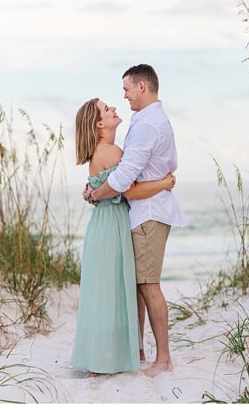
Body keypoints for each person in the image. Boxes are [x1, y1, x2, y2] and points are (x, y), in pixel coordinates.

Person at [86, 64, 188, 377]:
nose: (124, 96)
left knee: (148, 286)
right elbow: (117, 174)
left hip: (149, 213)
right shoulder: (145, 120)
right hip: (142, 212)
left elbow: (125, 181)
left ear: (141, 87)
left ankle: (163, 360)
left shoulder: (147, 124)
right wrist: (97, 185)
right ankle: (139, 350)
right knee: (138, 284)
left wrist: (96, 193)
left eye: (127, 89)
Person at [71, 98, 175, 376]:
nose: (114, 108)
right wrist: (165, 183)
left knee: (114, 286)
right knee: (112, 288)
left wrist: (93, 192)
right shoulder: (110, 152)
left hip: (106, 222)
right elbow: (130, 188)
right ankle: (109, 357)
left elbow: (108, 186)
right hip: (111, 224)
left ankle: (129, 350)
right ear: (99, 124)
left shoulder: (104, 150)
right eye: (107, 109)